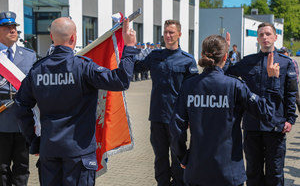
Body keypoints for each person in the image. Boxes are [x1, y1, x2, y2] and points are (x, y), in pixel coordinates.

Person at [14, 17, 137, 186]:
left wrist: (34, 142)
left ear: (51, 36)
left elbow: (21, 106)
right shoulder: (83, 67)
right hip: (79, 152)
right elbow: (120, 81)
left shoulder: (37, 69)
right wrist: (129, 48)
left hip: (49, 150)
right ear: (74, 38)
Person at [170, 34, 282, 186]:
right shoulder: (235, 86)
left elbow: (176, 128)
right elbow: (268, 112)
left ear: (202, 54)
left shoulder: (189, 85)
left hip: (196, 170)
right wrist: (273, 80)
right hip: (228, 172)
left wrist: (183, 157)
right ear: (225, 58)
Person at [225, 23, 298, 185]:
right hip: (252, 125)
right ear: (257, 38)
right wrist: (224, 51)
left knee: (275, 173)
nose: (265, 37)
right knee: (253, 172)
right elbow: (226, 73)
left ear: (275, 37)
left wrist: (290, 119)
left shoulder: (286, 63)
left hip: (276, 125)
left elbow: (291, 94)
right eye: (261, 35)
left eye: (268, 34)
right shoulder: (248, 61)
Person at [133, 19, 199, 186]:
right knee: (160, 158)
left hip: (177, 118)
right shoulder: (155, 56)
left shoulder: (187, 60)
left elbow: (192, 92)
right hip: (157, 116)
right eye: (166, 32)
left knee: (178, 158)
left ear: (179, 34)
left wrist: (191, 117)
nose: (168, 35)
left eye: (171, 32)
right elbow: (135, 68)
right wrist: (128, 48)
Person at [0, 11, 37, 186]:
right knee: (1, 167)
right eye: (7, 27)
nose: (12, 30)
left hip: (23, 120)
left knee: (22, 167)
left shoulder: (29, 55)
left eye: (14, 27)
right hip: (1, 118)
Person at [278, 46, 300, 112]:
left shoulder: (292, 61)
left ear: (287, 53)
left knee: (297, 100)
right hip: (282, 85)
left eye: (283, 52)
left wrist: (293, 85)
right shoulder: (279, 61)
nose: (282, 54)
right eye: (280, 52)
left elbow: (296, 75)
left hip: (292, 85)